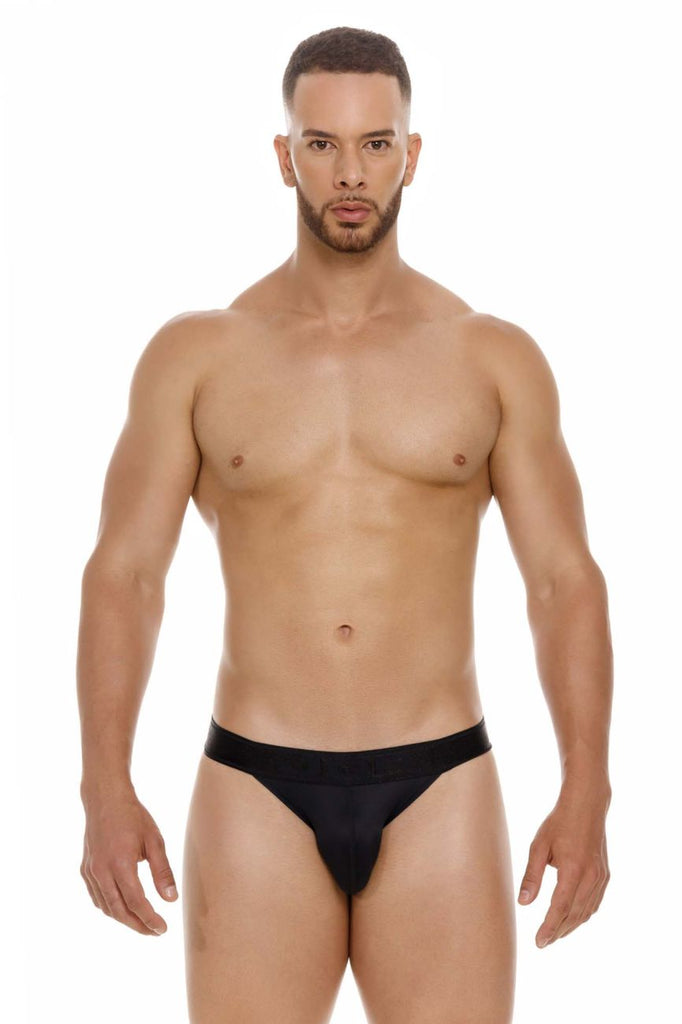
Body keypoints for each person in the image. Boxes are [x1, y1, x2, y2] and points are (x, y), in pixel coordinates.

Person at [77, 24, 613, 1024]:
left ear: (412, 154)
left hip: (440, 781)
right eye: (322, 144)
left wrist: (588, 788)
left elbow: (561, 580)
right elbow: (126, 573)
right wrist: (103, 785)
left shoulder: (490, 357)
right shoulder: (197, 356)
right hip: (255, 786)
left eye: (375, 143)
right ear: (285, 156)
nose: (351, 173)